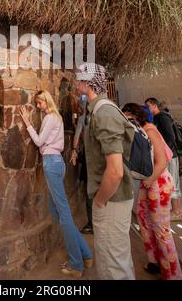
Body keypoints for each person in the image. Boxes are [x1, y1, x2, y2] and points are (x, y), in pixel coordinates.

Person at [20, 90, 93, 278]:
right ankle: (85, 253)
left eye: (40, 103)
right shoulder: (56, 117)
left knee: (64, 214)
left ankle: (76, 264)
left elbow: (38, 141)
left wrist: (27, 123)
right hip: (56, 162)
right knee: (56, 210)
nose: (38, 106)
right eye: (36, 103)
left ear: (47, 101)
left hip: (51, 162)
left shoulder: (50, 118)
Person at [75, 63, 136, 280]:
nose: (75, 81)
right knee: (115, 259)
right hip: (111, 197)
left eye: (78, 77)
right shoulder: (96, 109)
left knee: (114, 266)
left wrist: (100, 199)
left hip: (111, 199)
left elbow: (116, 171)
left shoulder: (104, 112)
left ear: (87, 82)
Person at [122, 103, 182, 280]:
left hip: (159, 182)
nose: (126, 121)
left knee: (161, 231)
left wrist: (148, 182)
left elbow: (162, 162)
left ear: (135, 116)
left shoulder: (150, 131)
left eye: (127, 117)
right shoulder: (141, 131)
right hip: (149, 182)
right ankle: (155, 263)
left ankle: (173, 275)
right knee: (144, 220)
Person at [145, 98, 182, 221]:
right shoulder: (156, 118)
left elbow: (170, 136)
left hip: (170, 155)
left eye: (147, 106)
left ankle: (177, 211)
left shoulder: (162, 117)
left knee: (173, 183)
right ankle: (176, 210)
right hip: (167, 155)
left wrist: (164, 151)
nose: (146, 109)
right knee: (171, 182)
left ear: (154, 105)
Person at [70, 96, 93, 234]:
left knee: (89, 191)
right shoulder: (98, 116)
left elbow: (77, 135)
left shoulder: (83, 118)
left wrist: (74, 150)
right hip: (101, 160)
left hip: (89, 158)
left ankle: (91, 223)